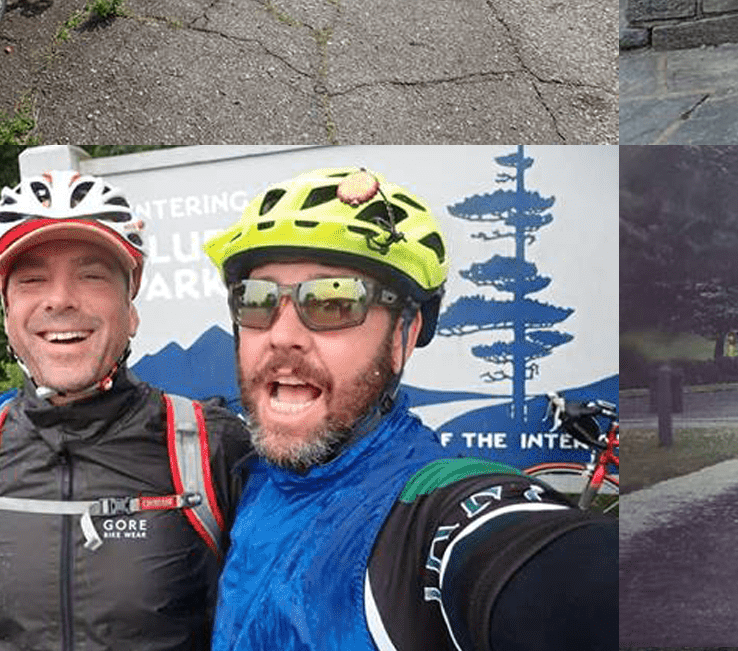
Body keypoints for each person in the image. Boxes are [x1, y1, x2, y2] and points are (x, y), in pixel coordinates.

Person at [204, 166, 617, 651]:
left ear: (402, 336)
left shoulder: (428, 510)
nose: (283, 335)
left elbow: (552, 575)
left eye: (333, 301)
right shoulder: (246, 479)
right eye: (257, 299)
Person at [0, 170, 253, 651]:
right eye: (32, 279)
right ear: (6, 312)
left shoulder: (213, 448)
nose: (60, 299)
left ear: (131, 306)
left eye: (91, 276)